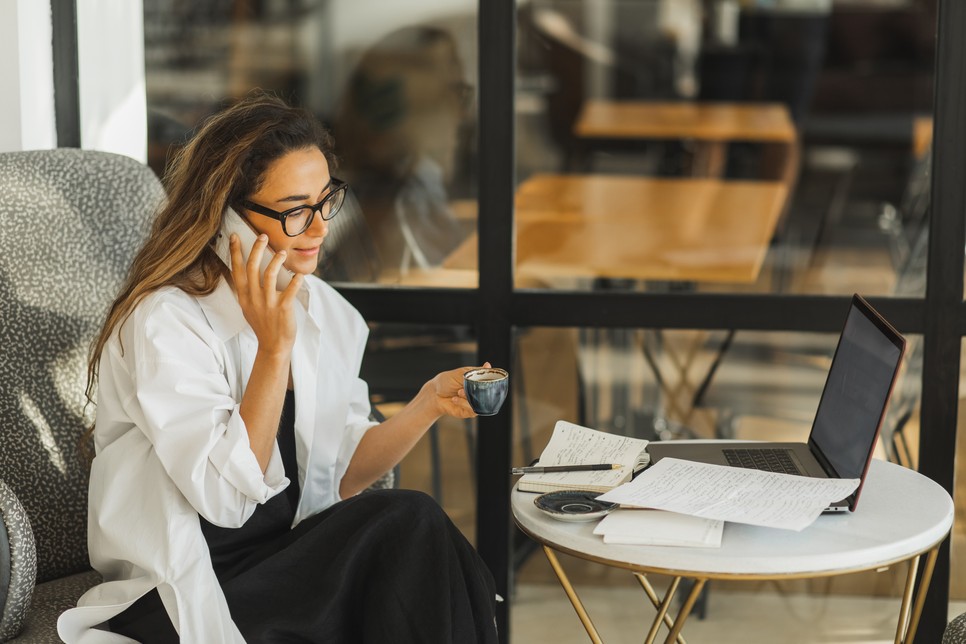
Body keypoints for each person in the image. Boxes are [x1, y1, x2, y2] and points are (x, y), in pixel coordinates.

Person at [57, 92, 498, 644]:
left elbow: (337, 477)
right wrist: (273, 351)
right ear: (228, 218)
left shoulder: (324, 311)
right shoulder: (166, 322)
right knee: (410, 525)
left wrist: (428, 402)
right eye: (294, 211)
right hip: (187, 589)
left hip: (287, 563)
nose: (318, 229)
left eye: (325, 201)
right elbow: (223, 502)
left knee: (412, 538)